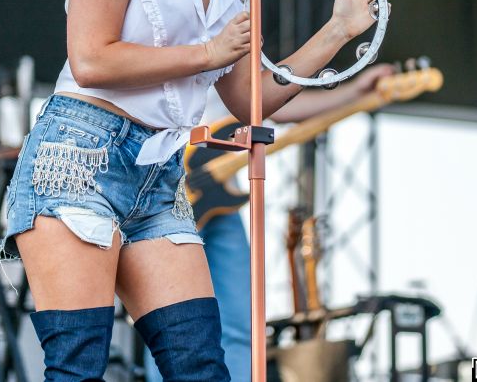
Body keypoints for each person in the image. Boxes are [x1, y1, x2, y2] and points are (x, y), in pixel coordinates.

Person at [0, 0, 393, 382]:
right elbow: (92, 60)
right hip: (77, 157)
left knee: (201, 366)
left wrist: (337, 32)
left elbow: (249, 97)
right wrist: (207, 52)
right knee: (78, 367)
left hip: (159, 172)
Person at [142, 64, 396, 382]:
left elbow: (274, 102)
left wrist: (355, 91)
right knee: (172, 324)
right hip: (163, 182)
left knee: (242, 322)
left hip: (217, 201)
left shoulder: (231, 41)